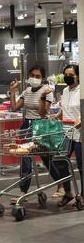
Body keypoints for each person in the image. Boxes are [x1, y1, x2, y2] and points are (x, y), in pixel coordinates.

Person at [9, 65, 58, 202]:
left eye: (38, 76)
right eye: (33, 76)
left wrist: (42, 98)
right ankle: (23, 190)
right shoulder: (27, 91)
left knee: (46, 159)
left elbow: (43, 113)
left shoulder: (47, 91)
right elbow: (14, 108)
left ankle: (61, 184)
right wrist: (12, 92)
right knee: (25, 157)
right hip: (27, 125)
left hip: (40, 126)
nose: (35, 78)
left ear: (42, 79)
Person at [51, 64, 82, 206]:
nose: (68, 77)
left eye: (71, 74)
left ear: (78, 76)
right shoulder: (64, 91)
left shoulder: (82, 91)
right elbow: (64, 110)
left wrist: (80, 119)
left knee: (82, 166)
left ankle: (82, 196)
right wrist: (56, 116)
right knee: (59, 160)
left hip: (80, 134)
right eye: (66, 75)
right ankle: (68, 192)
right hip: (66, 133)